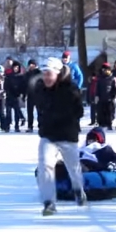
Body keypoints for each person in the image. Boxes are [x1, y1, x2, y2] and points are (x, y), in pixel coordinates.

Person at [29, 57, 86, 215]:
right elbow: (40, 108)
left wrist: (64, 117)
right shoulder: (40, 89)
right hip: (48, 134)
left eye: (50, 74)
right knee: (45, 165)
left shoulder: (70, 89)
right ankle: (49, 202)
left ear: (58, 74)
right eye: (44, 74)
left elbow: (79, 111)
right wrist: (44, 123)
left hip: (67, 135)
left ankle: (78, 190)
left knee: (73, 168)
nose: (46, 77)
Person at [4, 60, 25, 132]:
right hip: (9, 96)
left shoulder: (21, 77)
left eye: (17, 67)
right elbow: (5, 86)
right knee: (8, 112)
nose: (16, 69)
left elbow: (23, 86)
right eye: (14, 67)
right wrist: (8, 91)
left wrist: (21, 93)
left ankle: (17, 126)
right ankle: (7, 126)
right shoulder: (9, 76)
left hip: (17, 96)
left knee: (17, 112)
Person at [95, 63, 116, 129]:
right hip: (101, 97)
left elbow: (115, 88)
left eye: (107, 70)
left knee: (109, 112)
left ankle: (109, 124)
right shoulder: (100, 78)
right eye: (104, 69)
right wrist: (97, 96)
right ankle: (101, 123)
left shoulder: (113, 78)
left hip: (109, 98)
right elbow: (98, 88)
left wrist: (114, 96)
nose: (105, 71)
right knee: (101, 111)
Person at [24, 59, 41, 132]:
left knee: (39, 111)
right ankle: (30, 126)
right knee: (29, 112)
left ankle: (41, 125)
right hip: (30, 95)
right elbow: (24, 85)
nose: (31, 66)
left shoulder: (39, 73)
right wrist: (24, 95)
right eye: (30, 65)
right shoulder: (27, 74)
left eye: (32, 64)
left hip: (38, 95)